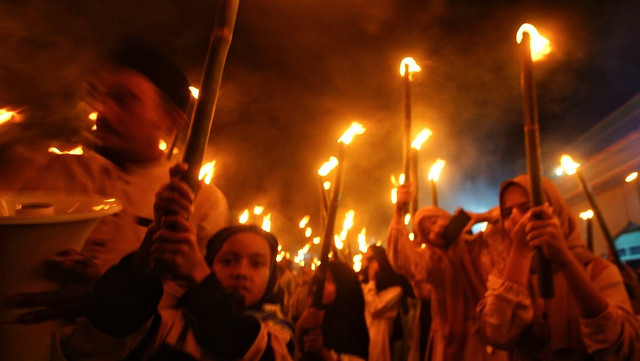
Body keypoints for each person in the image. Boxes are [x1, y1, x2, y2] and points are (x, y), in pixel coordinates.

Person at [8, 41, 229, 322]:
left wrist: (107, 296)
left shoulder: (200, 202)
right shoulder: (37, 168)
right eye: (102, 97)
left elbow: (187, 306)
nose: (105, 112)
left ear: (170, 120)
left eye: (124, 100)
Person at [56, 168, 294, 360]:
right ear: (210, 263)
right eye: (228, 260)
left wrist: (200, 278)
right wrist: (149, 249)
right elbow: (99, 345)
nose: (241, 272)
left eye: (257, 264)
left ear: (272, 276)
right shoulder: (172, 324)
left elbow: (240, 341)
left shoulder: (277, 333)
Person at [476, 175, 640, 360]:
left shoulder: (596, 270)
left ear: (555, 213)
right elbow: (497, 334)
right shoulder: (503, 275)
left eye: (527, 208)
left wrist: (564, 259)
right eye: (507, 213)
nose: (516, 219)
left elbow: (620, 347)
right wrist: (520, 252)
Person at [386, 184, 507, 361]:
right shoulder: (432, 259)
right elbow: (403, 260)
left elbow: (509, 222)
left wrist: (481, 217)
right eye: (428, 232)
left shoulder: (480, 244)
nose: (435, 230)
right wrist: (399, 213)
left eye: (435, 221)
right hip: (454, 338)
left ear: (446, 216)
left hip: (490, 331)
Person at [295, 261, 369, 361]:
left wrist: (322, 352)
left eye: (330, 280)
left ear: (345, 286)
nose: (322, 286)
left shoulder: (354, 326)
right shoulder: (316, 316)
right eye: (322, 280)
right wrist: (298, 329)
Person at [361, 245, 413, 361]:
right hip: (364, 338)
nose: (367, 264)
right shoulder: (363, 284)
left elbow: (375, 307)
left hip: (383, 340)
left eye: (371, 260)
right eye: (366, 260)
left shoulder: (396, 286)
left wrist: (372, 282)